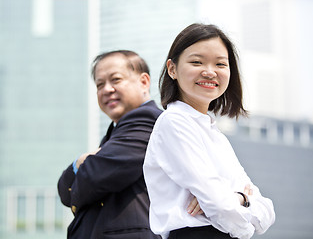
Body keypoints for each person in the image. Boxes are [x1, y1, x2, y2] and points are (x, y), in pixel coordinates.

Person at [143, 23, 276, 239]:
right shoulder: (174, 122)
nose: (210, 71)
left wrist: (239, 197)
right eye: (197, 62)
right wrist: (241, 216)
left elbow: (267, 211)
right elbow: (218, 204)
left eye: (220, 64)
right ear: (172, 69)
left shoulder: (215, 134)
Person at [58, 50, 162, 239]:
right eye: (100, 84)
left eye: (116, 80)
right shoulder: (114, 134)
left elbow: (96, 176)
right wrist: (79, 163)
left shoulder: (148, 120)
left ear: (144, 82)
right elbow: (65, 193)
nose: (107, 89)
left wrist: (86, 162)